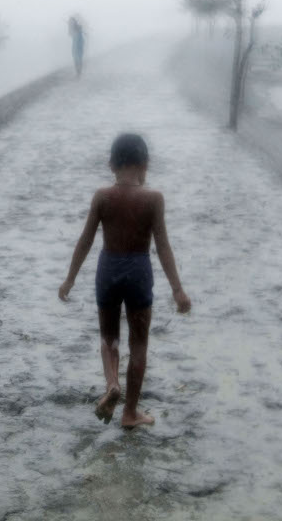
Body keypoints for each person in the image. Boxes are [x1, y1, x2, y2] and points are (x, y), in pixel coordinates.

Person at [58, 133, 192, 429]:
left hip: (108, 269)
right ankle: (130, 412)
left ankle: (111, 385)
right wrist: (178, 289)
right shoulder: (154, 199)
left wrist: (69, 280)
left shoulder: (102, 197)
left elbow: (85, 242)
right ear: (145, 165)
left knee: (109, 338)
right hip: (139, 271)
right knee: (139, 344)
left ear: (111, 165)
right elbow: (163, 246)